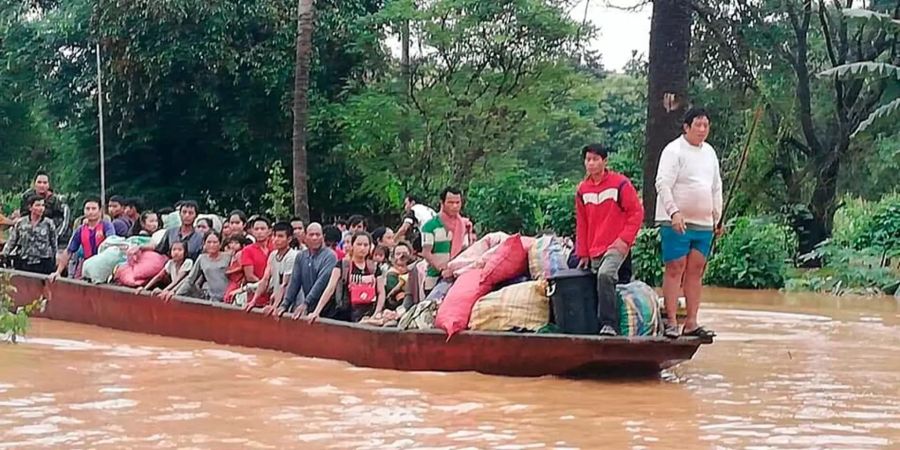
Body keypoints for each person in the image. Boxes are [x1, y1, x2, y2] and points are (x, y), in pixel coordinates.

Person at [655, 107, 723, 339]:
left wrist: (718, 216)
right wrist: (674, 212)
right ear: (686, 127)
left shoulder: (710, 153)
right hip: (676, 220)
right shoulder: (674, 150)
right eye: (698, 125)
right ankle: (672, 321)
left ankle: (692, 322)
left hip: (704, 223)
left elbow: (716, 187)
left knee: (696, 270)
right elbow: (662, 183)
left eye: (706, 125)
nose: (702, 130)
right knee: (675, 268)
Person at [574, 143, 644, 336]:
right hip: (595, 247)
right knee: (596, 282)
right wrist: (583, 253)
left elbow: (636, 213)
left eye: (596, 159)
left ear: (604, 162)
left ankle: (609, 324)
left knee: (605, 275)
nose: (591, 163)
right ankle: (598, 325)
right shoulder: (582, 190)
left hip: (617, 244)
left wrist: (625, 240)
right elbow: (582, 224)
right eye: (588, 159)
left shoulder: (620, 184)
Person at [314, 232, 386, 323]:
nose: (362, 248)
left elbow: (381, 292)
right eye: (359, 244)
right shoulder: (343, 265)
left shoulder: (374, 267)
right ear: (352, 245)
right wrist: (317, 311)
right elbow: (330, 288)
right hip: (345, 314)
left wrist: (376, 313)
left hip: (368, 314)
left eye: (366, 245)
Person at [276, 223, 339, 319]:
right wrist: (284, 305)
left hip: (329, 309)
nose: (314, 238)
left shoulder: (330, 256)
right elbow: (294, 282)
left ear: (323, 237)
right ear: (305, 237)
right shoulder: (301, 256)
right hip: (310, 307)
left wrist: (306, 303)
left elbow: (321, 282)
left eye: (318, 235)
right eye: (311, 235)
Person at [420, 187, 476, 293]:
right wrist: (442, 269)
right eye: (450, 202)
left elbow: (467, 250)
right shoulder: (430, 226)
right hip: (435, 278)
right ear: (442, 202)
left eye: (457, 202)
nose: (455, 206)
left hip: (458, 276)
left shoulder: (464, 225)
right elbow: (426, 253)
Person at [48, 197, 115, 282]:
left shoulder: (107, 226)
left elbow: (112, 244)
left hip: (105, 270)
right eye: (87, 209)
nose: (90, 212)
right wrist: (58, 272)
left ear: (100, 210)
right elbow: (69, 251)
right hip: (88, 268)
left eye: (94, 209)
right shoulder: (80, 230)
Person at [249, 222, 299, 312]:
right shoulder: (273, 255)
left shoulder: (292, 256)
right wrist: (253, 301)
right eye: (274, 236)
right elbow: (265, 279)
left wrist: (275, 306)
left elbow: (285, 284)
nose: (276, 239)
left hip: (292, 302)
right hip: (278, 300)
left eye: (280, 236)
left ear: (289, 239)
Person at [2, 195, 58, 274]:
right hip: (24, 261)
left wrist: (56, 259)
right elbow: (12, 241)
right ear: (30, 207)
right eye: (37, 205)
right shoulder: (21, 223)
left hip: (43, 262)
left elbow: (54, 244)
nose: (41, 208)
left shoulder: (49, 223)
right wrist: (4, 255)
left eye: (43, 205)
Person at [170, 232, 230, 302]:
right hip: (213, 298)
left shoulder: (228, 257)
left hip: (228, 296)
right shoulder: (202, 258)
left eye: (215, 242)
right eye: (209, 242)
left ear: (220, 243)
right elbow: (190, 280)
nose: (212, 245)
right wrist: (175, 293)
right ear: (204, 243)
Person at [239, 217, 272, 308]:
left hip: (273, 295)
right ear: (252, 231)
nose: (259, 232)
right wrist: (264, 286)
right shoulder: (247, 250)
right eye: (256, 229)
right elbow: (249, 276)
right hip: (255, 295)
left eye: (262, 229)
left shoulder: (274, 249)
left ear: (269, 231)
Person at [223, 236, 248, 304]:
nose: (233, 245)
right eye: (231, 243)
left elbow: (241, 267)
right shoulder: (233, 253)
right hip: (233, 279)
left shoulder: (240, 253)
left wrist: (229, 271)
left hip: (237, 280)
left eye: (236, 243)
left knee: (229, 296)